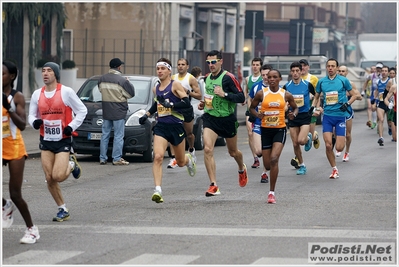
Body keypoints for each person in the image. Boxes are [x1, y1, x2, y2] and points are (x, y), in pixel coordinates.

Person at [28, 62, 87, 222]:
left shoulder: (66, 92)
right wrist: (35, 122)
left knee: (58, 176)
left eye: (49, 71)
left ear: (55, 74)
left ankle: (71, 164)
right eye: (43, 71)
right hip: (46, 139)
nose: (45, 73)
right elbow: (31, 115)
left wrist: (71, 126)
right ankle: (62, 208)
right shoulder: (36, 94)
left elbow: (82, 110)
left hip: (63, 139)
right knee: (49, 178)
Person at [138, 58, 196, 203]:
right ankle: (158, 190)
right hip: (162, 126)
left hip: (176, 126)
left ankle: (189, 161)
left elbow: (186, 103)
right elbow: (157, 104)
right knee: (158, 157)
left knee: (180, 161)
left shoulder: (175, 85)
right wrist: (146, 115)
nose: (160, 71)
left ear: (169, 70)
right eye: (158, 69)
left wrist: (171, 105)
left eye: (163, 68)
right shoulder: (156, 88)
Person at [198, 50, 247, 196]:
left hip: (227, 119)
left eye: (214, 62)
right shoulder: (206, 78)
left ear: (221, 61)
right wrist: (203, 104)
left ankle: (241, 168)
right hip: (210, 118)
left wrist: (224, 94)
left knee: (233, 152)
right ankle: (213, 185)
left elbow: (241, 97)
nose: (211, 65)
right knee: (207, 149)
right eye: (208, 63)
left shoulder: (229, 78)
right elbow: (209, 97)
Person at [2, 61, 40, 243]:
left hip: (15, 147)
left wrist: (9, 109)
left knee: (15, 194)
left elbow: (23, 125)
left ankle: (31, 229)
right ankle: (4, 206)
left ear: (11, 76)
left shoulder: (17, 97)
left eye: (2, 73)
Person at [249, 69, 298, 203]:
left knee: (274, 159)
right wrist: (257, 114)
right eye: (269, 77)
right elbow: (251, 108)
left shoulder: (285, 94)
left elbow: (295, 107)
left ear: (279, 79)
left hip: (279, 130)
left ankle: (271, 192)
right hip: (266, 130)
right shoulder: (261, 93)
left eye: (274, 77)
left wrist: (293, 114)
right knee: (268, 164)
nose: (271, 79)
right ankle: (271, 172)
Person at [312, 58, 358, 179]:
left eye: (333, 66)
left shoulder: (343, 81)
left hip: (340, 117)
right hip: (327, 116)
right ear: (326, 68)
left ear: (337, 68)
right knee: (328, 145)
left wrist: (347, 104)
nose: (330, 68)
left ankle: (339, 141)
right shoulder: (321, 82)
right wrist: (315, 108)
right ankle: (334, 169)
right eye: (329, 66)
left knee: (339, 147)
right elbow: (316, 98)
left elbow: (354, 95)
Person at [98, 58, 135, 165]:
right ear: (119, 67)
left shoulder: (102, 79)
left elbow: (101, 90)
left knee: (105, 135)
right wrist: (128, 82)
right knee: (118, 136)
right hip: (119, 111)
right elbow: (131, 94)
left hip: (106, 110)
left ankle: (102, 158)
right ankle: (116, 158)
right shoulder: (122, 80)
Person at [167, 58, 202, 168]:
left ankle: (191, 149)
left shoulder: (190, 79)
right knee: (172, 133)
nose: (180, 66)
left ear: (187, 66)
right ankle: (173, 158)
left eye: (183, 64)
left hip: (186, 108)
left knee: (189, 134)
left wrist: (187, 92)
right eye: (179, 64)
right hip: (175, 108)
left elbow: (199, 95)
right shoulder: (173, 78)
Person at [283, 62, 315, 175]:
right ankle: (302, 165)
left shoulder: (307, 84)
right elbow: (284, 101)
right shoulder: (286, 86)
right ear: (290, 72)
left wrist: (315, 107)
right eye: (293, 71)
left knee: (301, 140)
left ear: (301, 72)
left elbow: (317, 95)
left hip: (304, 115)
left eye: (297, 71)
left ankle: (308, 137)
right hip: (292, 116)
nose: (295, 73)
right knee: (295, 143)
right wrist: (286, 107)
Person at [248, 64, 273, 182]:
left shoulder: (276, 88)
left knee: (267, 150)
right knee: (258, 151)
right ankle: (265, 162)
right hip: (258, 121)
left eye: (267, 75)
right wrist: (251, 112)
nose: (265, 77)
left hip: (272, 123)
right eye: (263, 75)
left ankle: (264, 173)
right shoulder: (256, 87)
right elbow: (250, 99)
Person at [336, 65, 362, 161]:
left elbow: (359, 96)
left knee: (348, 134)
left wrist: (349, 94)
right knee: (335, 132)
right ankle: (339, 147)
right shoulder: (334, 83)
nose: (341, 73)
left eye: (343, 71)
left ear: (347, 73)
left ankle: (346, 152)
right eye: (339, 71)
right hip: (336, 111)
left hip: (347, 111)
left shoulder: (350, 84)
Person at [243, 57, 263, 168]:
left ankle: (260, 150)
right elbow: (247, 91)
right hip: (250, 110)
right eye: (253, 64)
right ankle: (255, 157)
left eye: (257, 65)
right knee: (250, 132)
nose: (255, 67)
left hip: (261, 111)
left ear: (260, 66)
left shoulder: (263, 78)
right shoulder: (248, 79)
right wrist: (244, 99)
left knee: (260, 133)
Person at [375, 65, 392, 146]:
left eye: (385, 71)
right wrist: (374, 100)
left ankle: (390, 127)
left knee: (389, 122)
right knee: (381, 120)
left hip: (389, 103)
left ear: (388, 73)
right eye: (383, 71)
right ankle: (381, 138)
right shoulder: (378, 81)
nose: (384, 72)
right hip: (381, 103)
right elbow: (377, 90)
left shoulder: (390, 81)